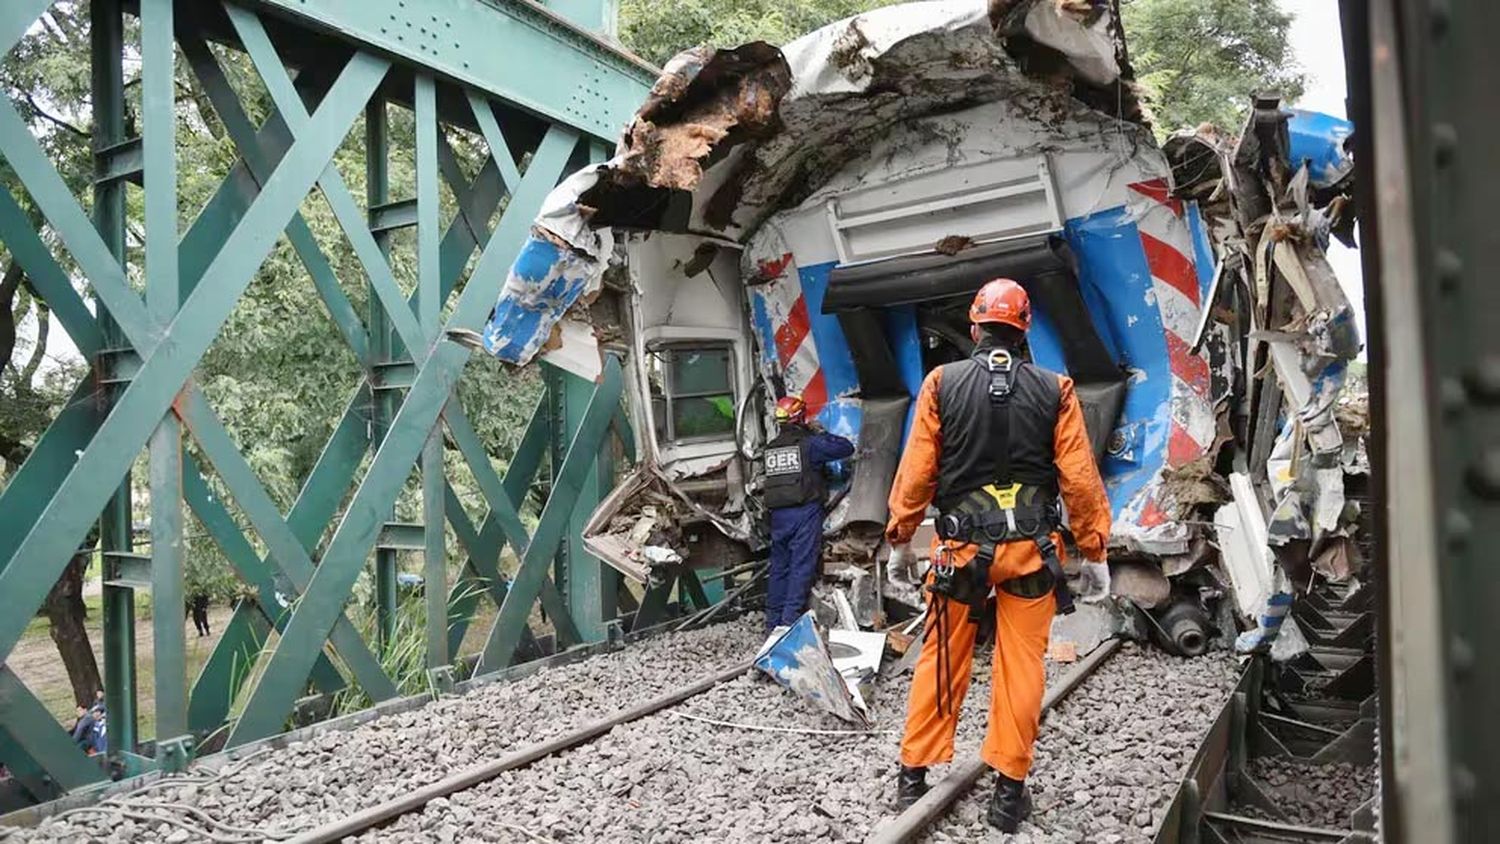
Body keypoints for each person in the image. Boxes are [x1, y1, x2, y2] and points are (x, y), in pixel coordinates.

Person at [886, 278, 1113, 831]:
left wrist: (900, 539)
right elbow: (1079, 480)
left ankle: (913, 775)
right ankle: (1009, 795)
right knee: (1021, 667)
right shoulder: (1055, 389)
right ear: (1024, 328)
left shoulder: (941, 383)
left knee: (941, 656)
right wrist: (1095, 549)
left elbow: (916, 473)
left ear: (974, 327)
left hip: (960, 551)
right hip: (1033, 553)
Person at [761, 394, 854, 632]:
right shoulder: (810, 444)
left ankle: (772, 623)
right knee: (801, 566)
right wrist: (820, 432)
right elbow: (846, 447)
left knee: (779, 567)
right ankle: (789, 623)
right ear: (800, 417)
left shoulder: (771, 449)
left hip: (778, 517)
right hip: (804, 513)